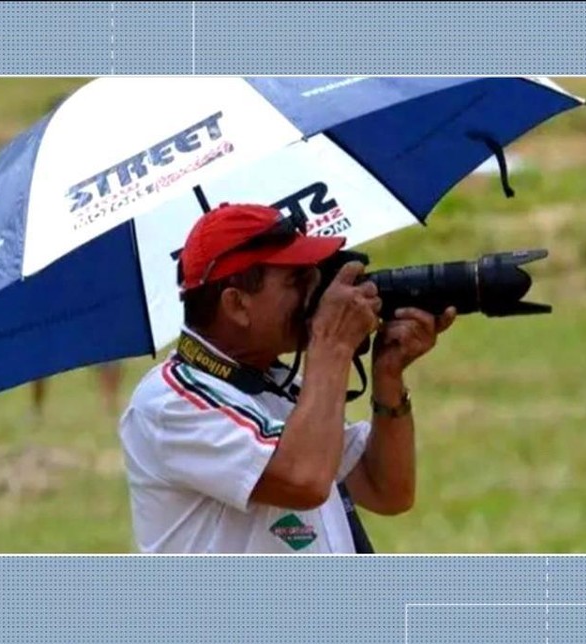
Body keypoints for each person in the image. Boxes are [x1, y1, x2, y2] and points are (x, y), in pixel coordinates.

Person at [117, 203, 455, 554]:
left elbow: (387, 490)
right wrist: (331, 344)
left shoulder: (276, 383)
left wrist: (388, 377)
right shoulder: (168, 404)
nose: (317, 293)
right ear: (236, 305)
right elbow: (304, 480)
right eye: (298, 280)